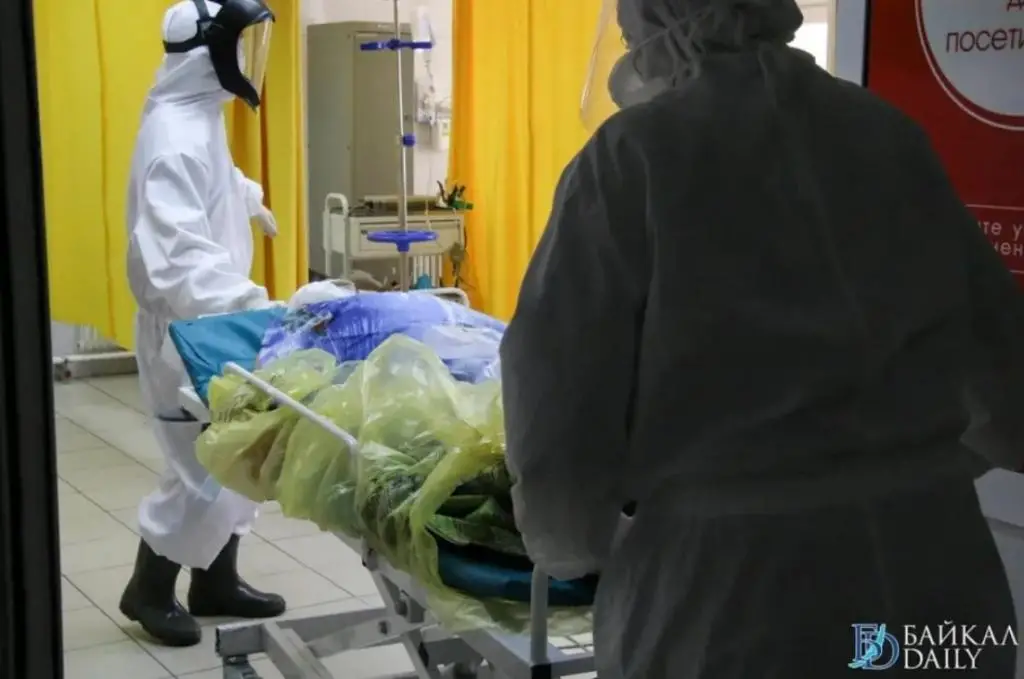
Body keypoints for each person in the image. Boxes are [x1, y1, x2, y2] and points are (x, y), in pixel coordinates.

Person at [500, 0, 1023, 676]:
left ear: (659, 29)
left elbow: (556, 393)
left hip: (741, 601)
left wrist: (571, 542)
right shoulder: (887, 134)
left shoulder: (635, 155)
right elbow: (1003, 375)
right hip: (938, 577)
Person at [121, 0, 286, 647]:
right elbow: (178, 257)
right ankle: (147, 587)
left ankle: (216, 581)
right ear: (210, 51)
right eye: (240, 45)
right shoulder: (173, 138)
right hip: (186, 328)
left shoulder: (195, 114)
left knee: (235, 452)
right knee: (200, 466)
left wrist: (247, 198)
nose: (247, 60)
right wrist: (250, 304)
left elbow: (215, 177)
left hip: (211, 321)